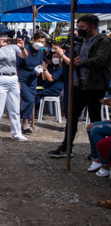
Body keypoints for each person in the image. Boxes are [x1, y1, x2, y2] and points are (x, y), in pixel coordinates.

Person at [49, 15, 111, 158]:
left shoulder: (104, 41)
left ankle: (97, 152)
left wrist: (82, 62)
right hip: (80, 83)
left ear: (92, 27)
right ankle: (66, 147)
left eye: (82, 27)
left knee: (94, 119)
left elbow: (101, 59)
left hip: (95, 85)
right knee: (71, 115)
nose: (79, 30)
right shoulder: (83, 41)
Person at [0, 24, 29, 142]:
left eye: (5, 34)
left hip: (13, 78)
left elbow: (24, 56)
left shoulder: (13, 47)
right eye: (0, 35)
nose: (3, 36)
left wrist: (22, 47)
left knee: (14, 107)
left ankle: (16, 133)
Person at [17, 31, 45, 134]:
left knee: (32, 100)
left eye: (43, 42)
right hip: (22, 78)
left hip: (33, 79)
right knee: (28, 99)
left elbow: (40, 62)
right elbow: (17, 65)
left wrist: (40, 69)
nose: (41, 43)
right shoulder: (25, 49)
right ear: (33, 40)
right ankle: (24, 124)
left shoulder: (41, 51)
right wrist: (17, 79)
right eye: (39, 41)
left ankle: (25, 123)